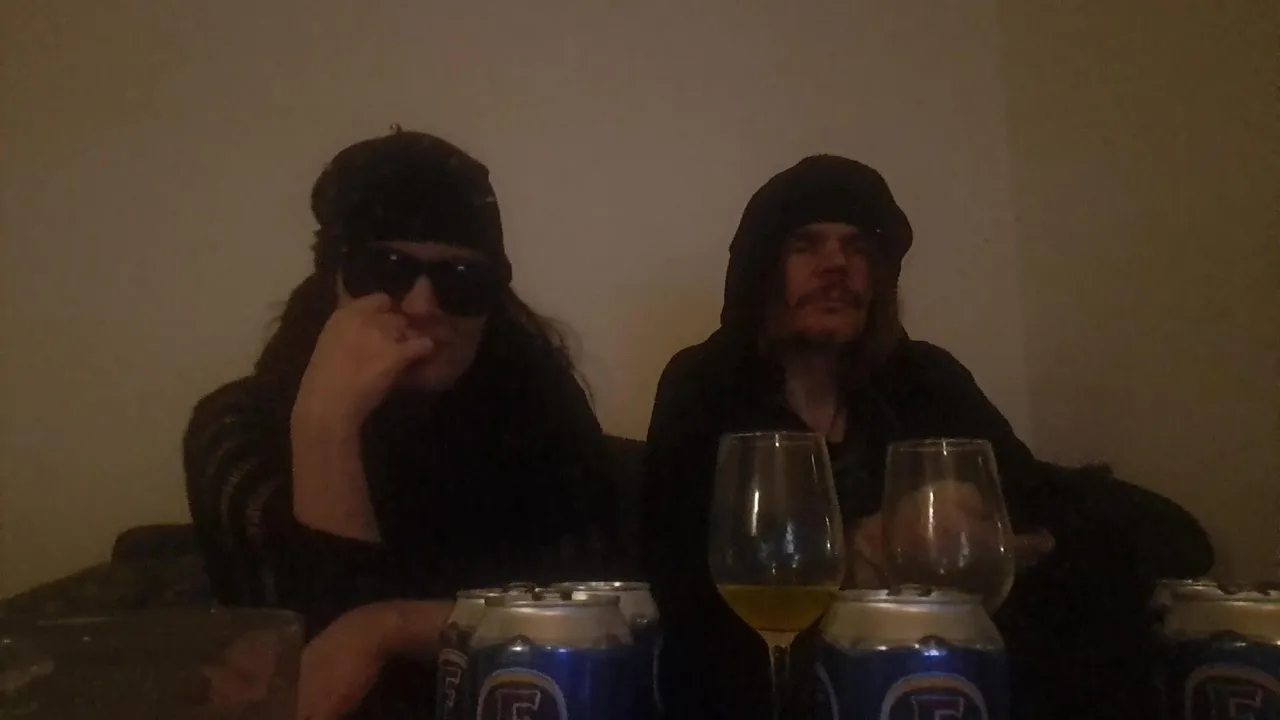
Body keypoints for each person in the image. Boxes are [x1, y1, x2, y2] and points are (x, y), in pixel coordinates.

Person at [641, 155, 1213, 719]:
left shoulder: (924, 381)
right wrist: (861, 551)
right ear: (761, 272)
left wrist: (997, 545)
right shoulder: (706, 385)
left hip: (938, 676)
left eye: (858, 248)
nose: (837, 264)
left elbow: (1044, 499)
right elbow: (682, 582)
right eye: (805, 245)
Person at [183, 129, 627, 719]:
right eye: (385, 271)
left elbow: (597, 622)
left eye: (461, 280)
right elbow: (325, 675)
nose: (422, 305)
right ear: (332, 284)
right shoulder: (236, 429)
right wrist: (325, 426)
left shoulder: (539, 412)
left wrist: (387, 626)